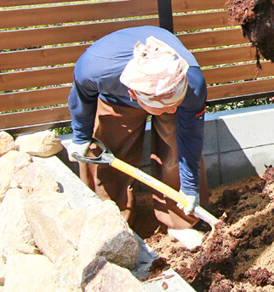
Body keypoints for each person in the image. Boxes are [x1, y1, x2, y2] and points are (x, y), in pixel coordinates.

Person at [66, 25, 209, 247]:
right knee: (108, 149)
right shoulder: (95, 69)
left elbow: (190, 136)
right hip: (116, 95)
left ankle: (182, 223)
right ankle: (110, 223)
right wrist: (81, 136)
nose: (173, 112)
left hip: (173, 87)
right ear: (135, 95)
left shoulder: (192, 83)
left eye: (175, 105)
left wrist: (190, 188)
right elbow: (82, 99)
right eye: (166, 108)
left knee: (175, 150)